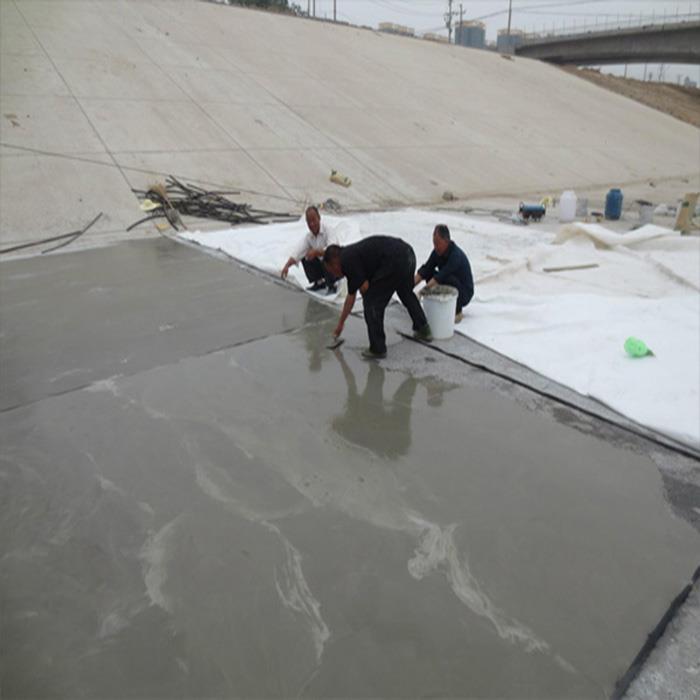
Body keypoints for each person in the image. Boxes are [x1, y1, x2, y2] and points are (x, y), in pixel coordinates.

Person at [323, 236, 432, 360]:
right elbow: (357, 291)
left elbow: (362, 290)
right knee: (405, 292)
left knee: (372, 304)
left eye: (331, 270)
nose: (333, 274)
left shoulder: (347, 260)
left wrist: (341, 324)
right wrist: (341, 323)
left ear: (335, 263)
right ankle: (423, 329)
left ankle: (377, 348)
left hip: (394, 260)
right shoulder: (350, 254)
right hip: (407, 253)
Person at [414, 224, 474, 322]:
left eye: (438, 244)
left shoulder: (455, 256)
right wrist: (408, 286)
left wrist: (421, 292)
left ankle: (457, 312)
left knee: (447, 278)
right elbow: (426, 269)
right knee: (429, 273)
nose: (435, 247)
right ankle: (438, 302)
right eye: (434, 243)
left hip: (464, 292)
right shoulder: (437, 252)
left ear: (446, 241)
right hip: (446, 280)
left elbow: (441, 276)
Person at [281, 206, 337, 293]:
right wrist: (287, 266)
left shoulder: (329, 230)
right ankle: (319, 282)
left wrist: (316, 252)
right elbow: (298, 252)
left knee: (328, 258)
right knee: (305, 257)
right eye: (309, 222)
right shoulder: (309, 237)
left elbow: (333, 250)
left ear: (319, 218)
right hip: (323, 266)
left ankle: (332, 285)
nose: (312, 224)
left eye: (314, 220)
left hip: (336, 267)